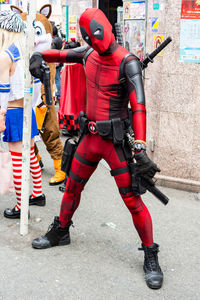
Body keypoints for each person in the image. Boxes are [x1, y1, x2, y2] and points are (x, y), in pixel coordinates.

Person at [29, 8, 164, 289]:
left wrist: (139, 145)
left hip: (114, 143)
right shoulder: (87, 54)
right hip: (88, 138)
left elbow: (139, 107)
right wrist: (36, 57)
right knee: (71, 188)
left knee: (132, 200)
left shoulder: (127, 63)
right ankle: (61, 230)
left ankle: (151, 252)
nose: (95, 42)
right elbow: (57, 55)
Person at [0, 10, 45, 218]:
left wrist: (0, 115)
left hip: (12, 111)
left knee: (16, 159)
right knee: (30, 154)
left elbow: (2, 92)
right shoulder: (26, 49)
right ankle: (37, 193)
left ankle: (21, 207)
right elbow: (37, 83)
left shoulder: (5, 55)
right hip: (28, 109)